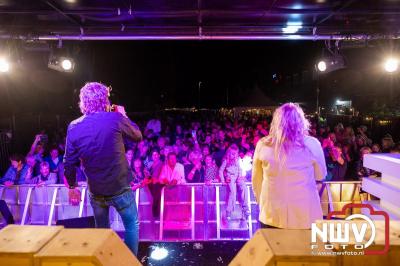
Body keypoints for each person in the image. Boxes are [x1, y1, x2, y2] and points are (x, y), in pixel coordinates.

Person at [63, 82, 142, 255]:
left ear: (83, 102)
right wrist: (123, 114)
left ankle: (105, 260)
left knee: (102, 230)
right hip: (120, 187)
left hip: (96, 190)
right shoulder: (115, 118)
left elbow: (69, 162)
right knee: (131, 225)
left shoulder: (74, 126)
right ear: (104, 99)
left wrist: (71, 186)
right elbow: (137, 135)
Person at [252, 103, 326, 229]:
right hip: (305, 215)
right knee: (303, 249)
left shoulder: (263, 144)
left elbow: (256, 180)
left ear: (276, 121)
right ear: (301, 121)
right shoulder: (312, 144)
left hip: (272, 215)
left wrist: (263, 204)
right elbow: (321, 175)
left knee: (273, 249)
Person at [219, 144, 250, 220]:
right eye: (232, 153)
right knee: (232, 192)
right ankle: (229, 211)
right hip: (231, 177)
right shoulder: (226, 160)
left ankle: (246, 209)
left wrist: (240, 177)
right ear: (229, 153)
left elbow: (240, 169)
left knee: (244, 188)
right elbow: (220, 170)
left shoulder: (238, 159)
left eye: (235, 153)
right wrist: (223, 180)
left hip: (237, 176)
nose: (234, 155)